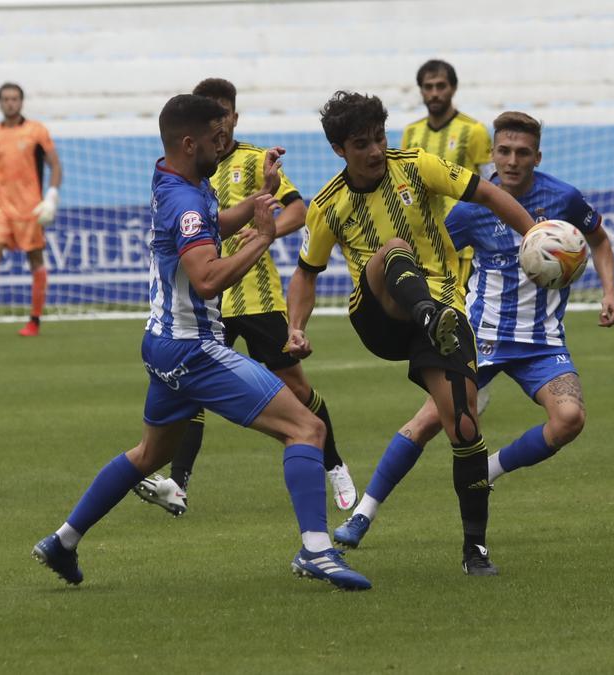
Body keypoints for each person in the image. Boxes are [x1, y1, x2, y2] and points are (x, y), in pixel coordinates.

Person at [31, 94, 370, 591]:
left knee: (149, 455)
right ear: (191, 143)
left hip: (161, 342)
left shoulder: (176, 178)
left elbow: (210, 224)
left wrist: (257, 203)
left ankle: (62, 541)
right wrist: (263, 237)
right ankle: (316, 551)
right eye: (216, 138)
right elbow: (208, 279)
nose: (224, 142)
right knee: (306, 428)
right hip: (193, 348)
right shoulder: (187, 199)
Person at [332, 111, 614, 557]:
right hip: (481, 336)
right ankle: (363, 513)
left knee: (570, 420)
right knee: (427, 421)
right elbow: (431, 255)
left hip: (542, 342)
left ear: (536, 156)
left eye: (522, 152)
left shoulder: (563, 200)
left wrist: (609, 292)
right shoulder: (471, 211)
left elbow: (598, 239)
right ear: (492, 154)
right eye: (503, 151)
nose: (511, 160)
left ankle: (487, 469)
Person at [286, 91, 537, 576]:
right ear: (340, 149)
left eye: (379, 138)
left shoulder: (418, 165)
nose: (376, 150)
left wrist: (533, 234)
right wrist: (296, 328)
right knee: (395, 249)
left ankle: (475, 550)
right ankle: (427, 316)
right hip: (378, 313)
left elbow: (485, 192)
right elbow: (305, 274)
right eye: (362, 143)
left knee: (463, 428)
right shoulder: (328, 205)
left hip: (443, 308)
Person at [131, 78, 355, 517]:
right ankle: (178, 483)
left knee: (296, 387)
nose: (221, 122)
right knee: (189, 390)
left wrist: (263, 229)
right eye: (211, 112)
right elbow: (207, 229)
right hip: (211, 304)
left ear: (234, 116)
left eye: (225, 112)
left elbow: (296, 209)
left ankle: (336, 466)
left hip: (257, 296)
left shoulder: (252, 159)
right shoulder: (193, 176)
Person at [0, 82, 62, 337]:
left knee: (35, 260)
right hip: (0, 206)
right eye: (5, 99)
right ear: (0, 102)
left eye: (14, 98)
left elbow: (55, 165)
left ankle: (35, 321)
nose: (10, 103)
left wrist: (51, 198)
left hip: (30, 208)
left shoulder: (36, 131)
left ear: (21, 102)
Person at [402, 59, 493, 290]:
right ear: (421, 90)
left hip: (464, 246)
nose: (434, 93)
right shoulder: (411, 133)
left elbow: (493, 183)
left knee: (459, 314)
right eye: (428, 87)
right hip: (423, 244)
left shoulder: (474, 131)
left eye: (440, 86)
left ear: (453, 88)